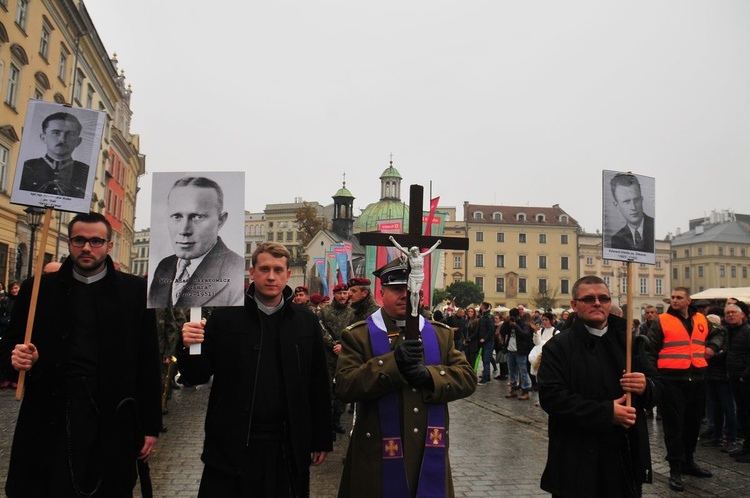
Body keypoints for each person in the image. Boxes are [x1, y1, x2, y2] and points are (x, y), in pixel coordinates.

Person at [0, 212, 161, 497]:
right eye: (79, 240)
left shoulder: (135, 291)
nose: (87, 248)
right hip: (51, 415)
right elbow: (10, 348)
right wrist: (20, 360)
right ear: (69, 242)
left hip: (111, 417)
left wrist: (150, 426)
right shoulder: (38, 289)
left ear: (109, 246)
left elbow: (147, 362)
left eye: (96, 241)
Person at [178, 242, 333, 497]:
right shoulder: (225, 317)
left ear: (287, 274)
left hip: (287, 445)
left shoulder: (306, 322)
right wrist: (188, 346)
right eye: (264, 269)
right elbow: (197, 375)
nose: (271, 276)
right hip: (232, 445)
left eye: (278, 269)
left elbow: (318, 383)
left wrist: (321, 438)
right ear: (252, 272)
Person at [335, 257, 476, 498]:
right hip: (376, 457)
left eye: (412, 289)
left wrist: (431, 376)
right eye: (398, 289)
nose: (406, 295)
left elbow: (467, 379)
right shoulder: (359, 335)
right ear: (382, 292)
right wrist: (392, 364)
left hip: (427, 454)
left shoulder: (440, 335)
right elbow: (346, 386)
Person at [538, 276, 660, 497]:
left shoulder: (630, 343)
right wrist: (606, 412)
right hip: (577, 458)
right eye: (588, 299)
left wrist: (646, 386)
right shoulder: (558, 346)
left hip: (623, 457)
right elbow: (552, 397)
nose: (597, 303)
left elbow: (658, 388)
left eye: (603, 298)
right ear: (574, 305)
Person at [645, 287, 721, 492]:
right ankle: (675, 468)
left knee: (693, 424)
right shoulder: (663, 320)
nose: (675, 300)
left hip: (697, 379)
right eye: (673, 298)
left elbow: (719, 334)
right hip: (671, 380)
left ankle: (688, 461)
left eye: (679, 297)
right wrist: (655, 377)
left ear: (688, 300)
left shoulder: (701, 320)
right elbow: (650, 350)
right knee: (674, 426)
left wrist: (712, 347)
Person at [148, 177, 244, 308]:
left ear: (220, 220)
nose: (184, 230)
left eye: (198, 217)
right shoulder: (164, 267)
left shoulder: (235, 270)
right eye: (177, 216)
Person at [19, 112, 89, 198]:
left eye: (70, 134)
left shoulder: (86, 172)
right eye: (56, 133)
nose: (62, 140)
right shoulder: (27, 167)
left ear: (78, 141)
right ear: (43, 138)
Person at [320, 283, 354, 435]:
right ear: (334, 294)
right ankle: (325, 424)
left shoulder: (352, 313)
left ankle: (336, 421)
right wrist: (333, 344)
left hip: (345, 357)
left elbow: (355, 331)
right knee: (326, 391)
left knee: (342, 391)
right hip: (327, 357)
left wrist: (343, 346)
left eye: (345, 293)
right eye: (339, 293)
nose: (342, 296)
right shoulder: (324, 311)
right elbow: (320, 329)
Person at [725, 301, 750, 462]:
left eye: (733, 312)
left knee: (748, 413)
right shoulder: (729, 331)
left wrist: (745, 375)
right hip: (735, 378)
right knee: (742, 414)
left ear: (742, 314)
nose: (730, 315)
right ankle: (746, 447)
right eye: (727, 313)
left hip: (745, 379)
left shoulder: (747, 331)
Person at [609, 173, 655, 252]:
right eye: (627, 202)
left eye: (636, 200)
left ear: (641, 199)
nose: (633, 207)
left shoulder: (654, 227)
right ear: (616, 205)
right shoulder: (616, 240)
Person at [501, 308, 534, 400]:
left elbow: (526, 335)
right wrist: (506, 322)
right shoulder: (509, 324)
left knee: (523, 371)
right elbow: (502, 332)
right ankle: (513, 389)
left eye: (514, 316)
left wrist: (516, 326)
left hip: (520, 351)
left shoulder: (524, 324)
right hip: (510, 350)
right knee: (512, 371)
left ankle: (525, 390)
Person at [477, 302, 495, 385]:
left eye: (480, 306)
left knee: (486, 360)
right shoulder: (483, 316)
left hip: (487, 342)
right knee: (485, 360)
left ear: (483, 307)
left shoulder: (488, 317)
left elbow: (491, 330)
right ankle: (487, 376)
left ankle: (485, 378)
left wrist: (485, 338)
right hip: (483, 341)